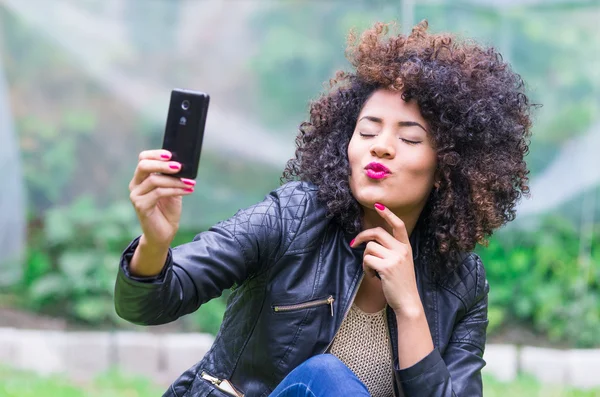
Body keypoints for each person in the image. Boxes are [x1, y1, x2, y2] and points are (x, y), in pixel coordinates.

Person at [115, 20, 533, 397]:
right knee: (326, 376)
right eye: (367, 130)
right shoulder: (295, 218)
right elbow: (149, 304)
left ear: (448, 168)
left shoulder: (463, 283)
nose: (381, 145)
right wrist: (155, 243)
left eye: (408, 139)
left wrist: (409, 307)